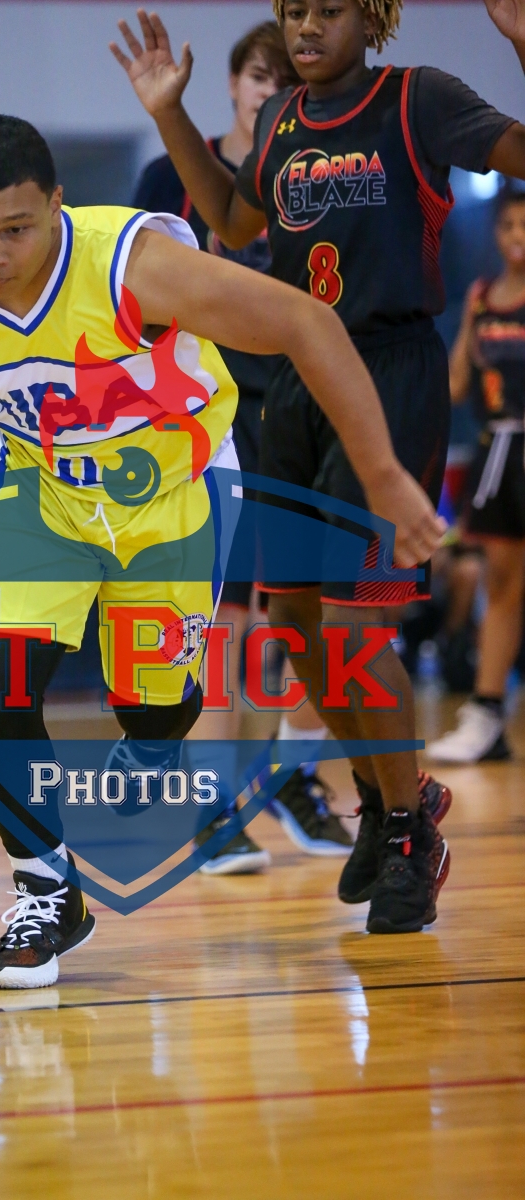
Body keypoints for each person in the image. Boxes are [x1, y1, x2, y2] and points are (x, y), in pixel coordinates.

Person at [0, 112, 443, 989]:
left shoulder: (132, 266)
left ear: (58, 206)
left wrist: (383, 474)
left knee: (153, 708)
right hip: (43, 495)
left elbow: (307, 322)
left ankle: (152, 745)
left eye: (15, 229)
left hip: (174, 498)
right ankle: (47, 892)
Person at [108, 0, 524, 934]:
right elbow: (229, 216)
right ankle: (386, 797)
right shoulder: (284, 119)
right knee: (292, 622)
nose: (304, 27)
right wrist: (170, 114)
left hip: (389, 372)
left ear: (369, 18)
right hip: (298, 381)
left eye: (326, 11)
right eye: (293, 11)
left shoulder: (417, 99)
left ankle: (411, 833)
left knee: (351, 624)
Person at [134, 21, 349, 872]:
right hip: (199, 414)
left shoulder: (317, 173)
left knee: (297, 614)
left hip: (298, 405)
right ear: (231, 84)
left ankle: (283, 777)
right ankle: (212, 808)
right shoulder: (170, 179)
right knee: (220, 620)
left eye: (284, 80)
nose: (271, 92)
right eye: (260, 77)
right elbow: (131, 300)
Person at [428, 186, 525, 763]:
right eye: (510, 226)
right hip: (498, 453)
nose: (518, 237)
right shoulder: (482, 298)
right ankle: (488, 714)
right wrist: (467, 321)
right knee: (502, 583)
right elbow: (457, 385)